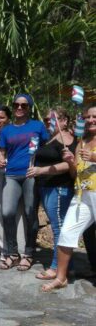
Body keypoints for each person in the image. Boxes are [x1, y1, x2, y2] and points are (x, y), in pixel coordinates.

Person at [42, 104, 96, 292]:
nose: (91, 120)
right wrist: (71, 163)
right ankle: (61, 277)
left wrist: (94, 157)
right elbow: (74, 174)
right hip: (82, 195)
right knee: (67, 233)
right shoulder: (82, 141)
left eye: (94, 116)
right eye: (88, 117)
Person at [0, 93, 49, 270]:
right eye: (16, 105)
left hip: (31, 174)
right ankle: (13, 253)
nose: (19, 108)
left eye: (24, 105)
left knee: (30, 213)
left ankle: (28, 253)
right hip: (11, 174)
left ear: (30, 108)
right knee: (7, 212)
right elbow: (2, 152)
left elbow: (48, 148)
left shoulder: (38, 126)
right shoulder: (6, 130)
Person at [27, 107, 76, 280]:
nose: (48, 122)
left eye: (52, 119)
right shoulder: (51, 138)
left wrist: (41, 170)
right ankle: (67, 265)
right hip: (47, 188)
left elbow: (68, 164)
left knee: (59, 228)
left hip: (58, 188)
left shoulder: (67, 139)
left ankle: (57, 267)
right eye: (46, 120)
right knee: (59, 227)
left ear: (63, 120)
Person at [0, 105, 26, 267]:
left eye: (2, 117)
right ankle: (5, 250)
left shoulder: (16, 133)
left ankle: (21, 250)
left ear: (8, 118)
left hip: (15, 176)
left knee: (17, 213)